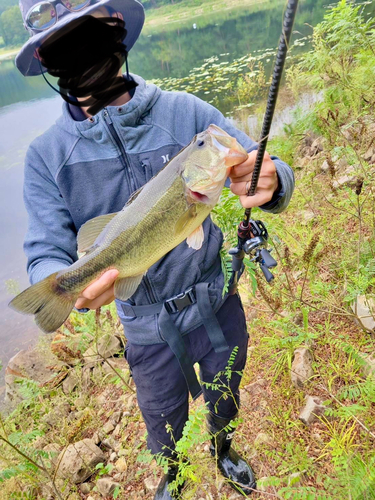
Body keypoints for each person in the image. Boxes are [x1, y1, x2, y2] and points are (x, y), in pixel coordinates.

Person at [15, 0, 294, 498]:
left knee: (225, 389)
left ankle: (224, 450)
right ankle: (174, 475)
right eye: (65, 47)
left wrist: (272, 180)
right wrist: (68, 281)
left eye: (90, 38)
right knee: (162, 415)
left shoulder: (188, 116)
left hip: (216, 301)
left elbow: (257, 160)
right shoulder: (46, 158)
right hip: (145, 327)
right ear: (48, 63)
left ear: (117, 33)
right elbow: (45, 250)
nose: (83, 56)